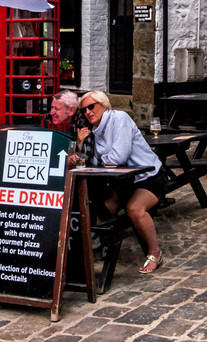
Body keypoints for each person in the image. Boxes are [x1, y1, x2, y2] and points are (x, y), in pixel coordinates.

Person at [70, 91, 168, 275]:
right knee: (103, 207)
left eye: (92, 107)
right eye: (84, 110)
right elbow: (97, 161)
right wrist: (80, 146)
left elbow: (119, 157)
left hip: (150, 176)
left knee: (134, 208)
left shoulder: (119, 119)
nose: (88, 112)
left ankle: (155, 252)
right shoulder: (95, 130)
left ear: (104, 105)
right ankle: (102, 249)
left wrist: (107, 159)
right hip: (126, 181)